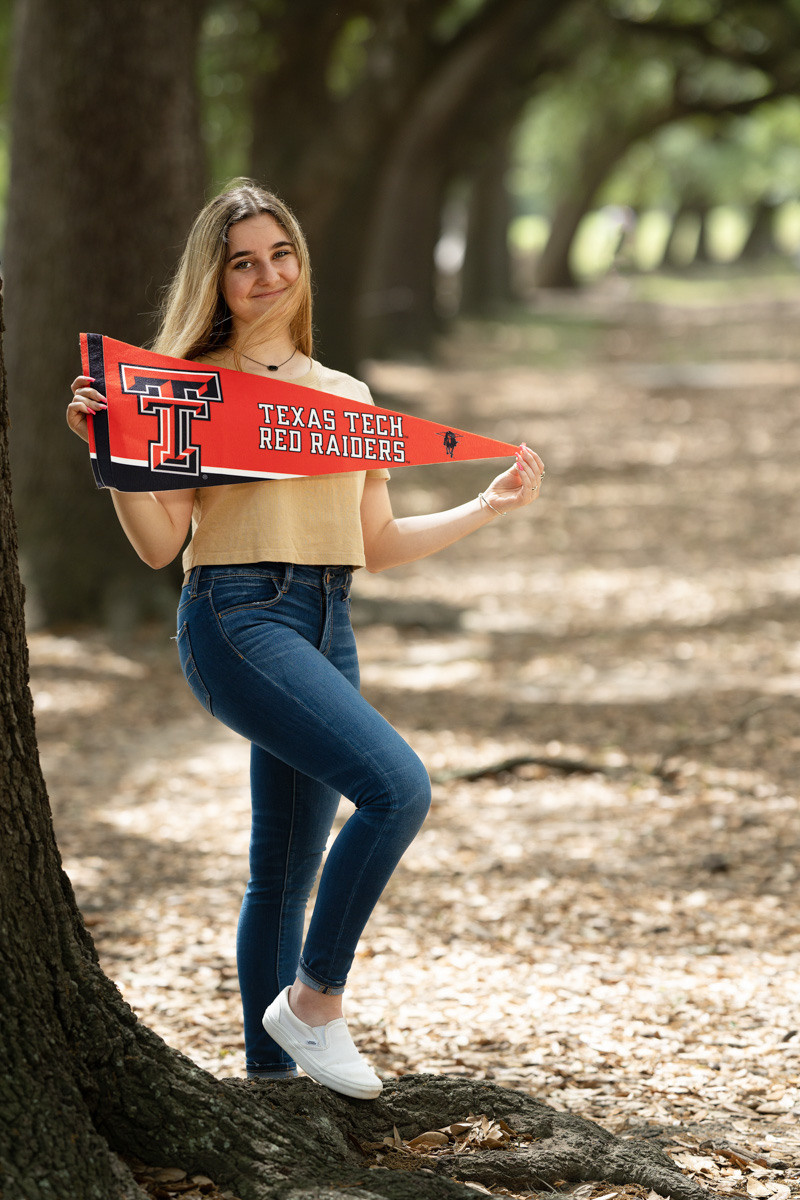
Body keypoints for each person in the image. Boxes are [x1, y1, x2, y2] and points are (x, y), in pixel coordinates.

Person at [67, 179, 545, 1100]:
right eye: (242, 262)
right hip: (235, 619)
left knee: (282, 871)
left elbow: (374, 544)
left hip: (328, 620)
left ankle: (274, 1090)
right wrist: (114, 459)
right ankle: (315, 1005)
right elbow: (162, 545)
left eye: (280, 254)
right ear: (216, 278)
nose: (267, 275)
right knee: (398, 787)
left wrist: (486, 505)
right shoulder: (186, 391)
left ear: (302, 262)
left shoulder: (346, 397)